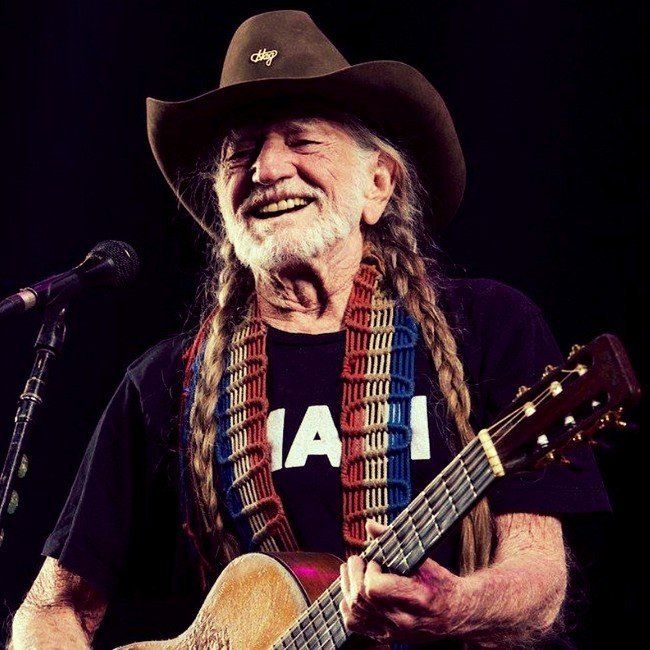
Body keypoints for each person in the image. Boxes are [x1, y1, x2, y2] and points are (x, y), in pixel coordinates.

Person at [10, 10, 610, 649]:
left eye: (301, 141)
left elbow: (539, 579)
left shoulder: (488, 325)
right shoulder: (163, 381)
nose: (267, 169)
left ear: (377, 184)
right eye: (241, 152)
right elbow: (51, 608)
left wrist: (456, 606)